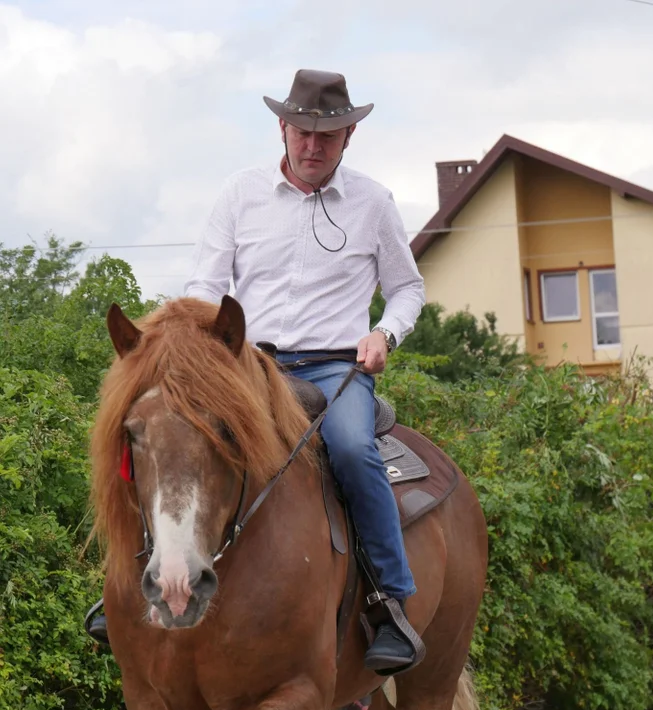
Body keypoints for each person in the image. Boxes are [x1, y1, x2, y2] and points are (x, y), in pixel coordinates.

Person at [86, 69, 427, 674]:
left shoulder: (374, 203)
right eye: (302, 132)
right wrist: (187, 350)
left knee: (350, 449)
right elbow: (205, 287)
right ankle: (126, 582)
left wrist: (385, 332)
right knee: (166, 432)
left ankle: (386, 600)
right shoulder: (239, 194)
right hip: (243, 363)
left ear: (349, 137)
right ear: (282, 128)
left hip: (331, 369)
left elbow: (407, 289)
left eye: (327, 135)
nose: (312, 146)